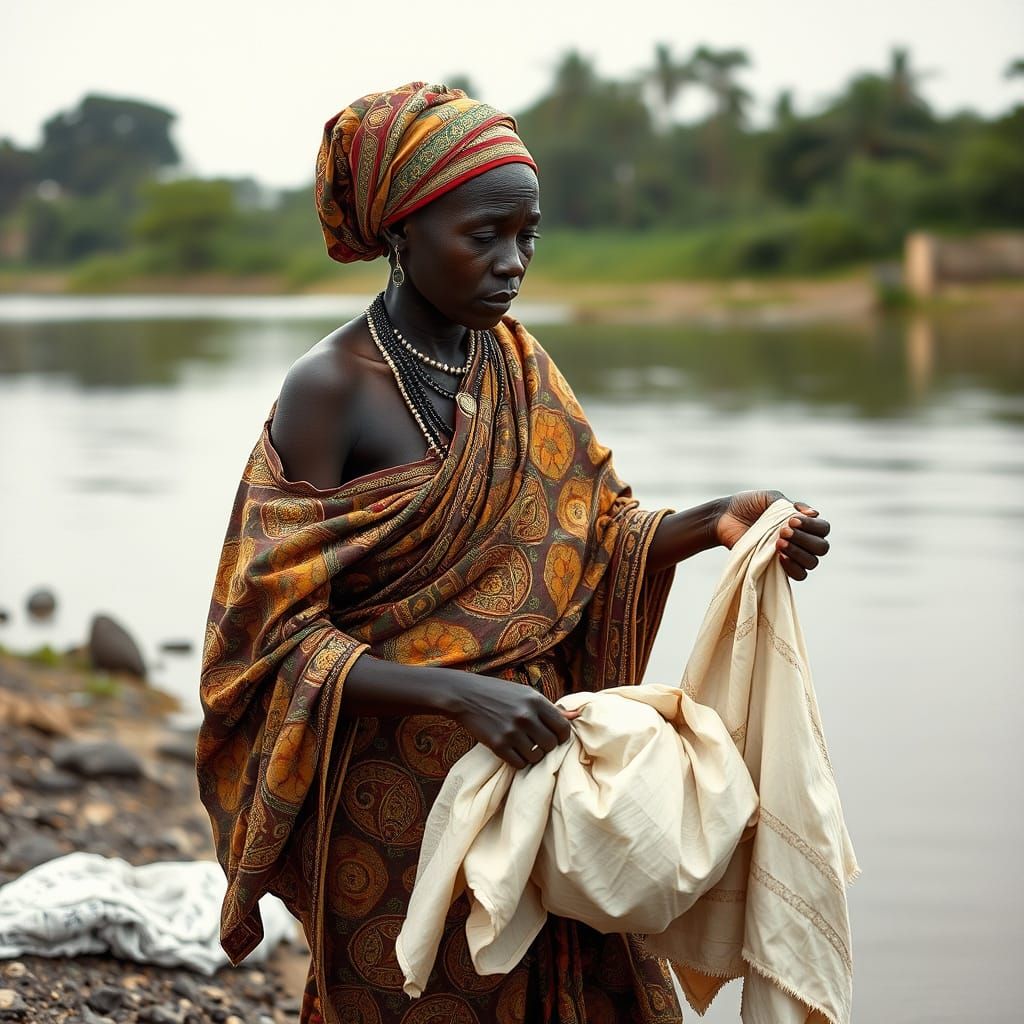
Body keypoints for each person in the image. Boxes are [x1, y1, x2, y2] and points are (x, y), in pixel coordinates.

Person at [196, 82, 832, 1024]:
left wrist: (713, 524)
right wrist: (457, 691)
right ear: (401, 232)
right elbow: (268, 641)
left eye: (527, 235)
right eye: (483, 235)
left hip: (540, 767)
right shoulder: (330, 388)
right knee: (420, 994)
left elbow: (594, 535)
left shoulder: (518, 365)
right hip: (390, 800)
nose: (512, 263)